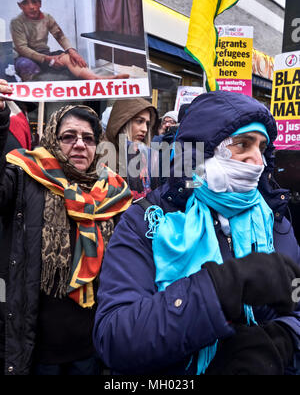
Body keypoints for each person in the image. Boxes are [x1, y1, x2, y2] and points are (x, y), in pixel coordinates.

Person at [93, 90, 300, 375]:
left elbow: (297, 304)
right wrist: (219, 288)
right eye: (242, 144)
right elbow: (115, 338)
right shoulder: (145, 222)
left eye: (262, 147)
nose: (257, 160)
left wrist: (281, 341)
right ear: (201, 151)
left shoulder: (275, 221)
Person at [0, 83, 132, 375]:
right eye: (68, 137)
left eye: (88, 138)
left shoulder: (116, 192)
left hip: (91, 344)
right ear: (51, 140)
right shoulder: (26, 177)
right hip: (38, 347)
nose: (80, 144)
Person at [10, 0, 129, 82]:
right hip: (26, 57)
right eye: (25, 3)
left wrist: (72, 51)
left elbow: (60, 36)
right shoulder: (16, 23)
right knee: (25, 65)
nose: (31, 6)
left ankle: (96, 78)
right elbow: (22, 48)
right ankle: (33, 101)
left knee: (69, 58)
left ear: (39, 3)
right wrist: (46, 59)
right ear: (20, 6)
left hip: (45, 53)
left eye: (34, 2)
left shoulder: (47, 18)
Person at [103, 98, 159, 199]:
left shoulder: (146, 156)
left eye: (147, 123)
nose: (145, 129)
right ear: (123, 122)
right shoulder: (103, 155)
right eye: (139, 121)